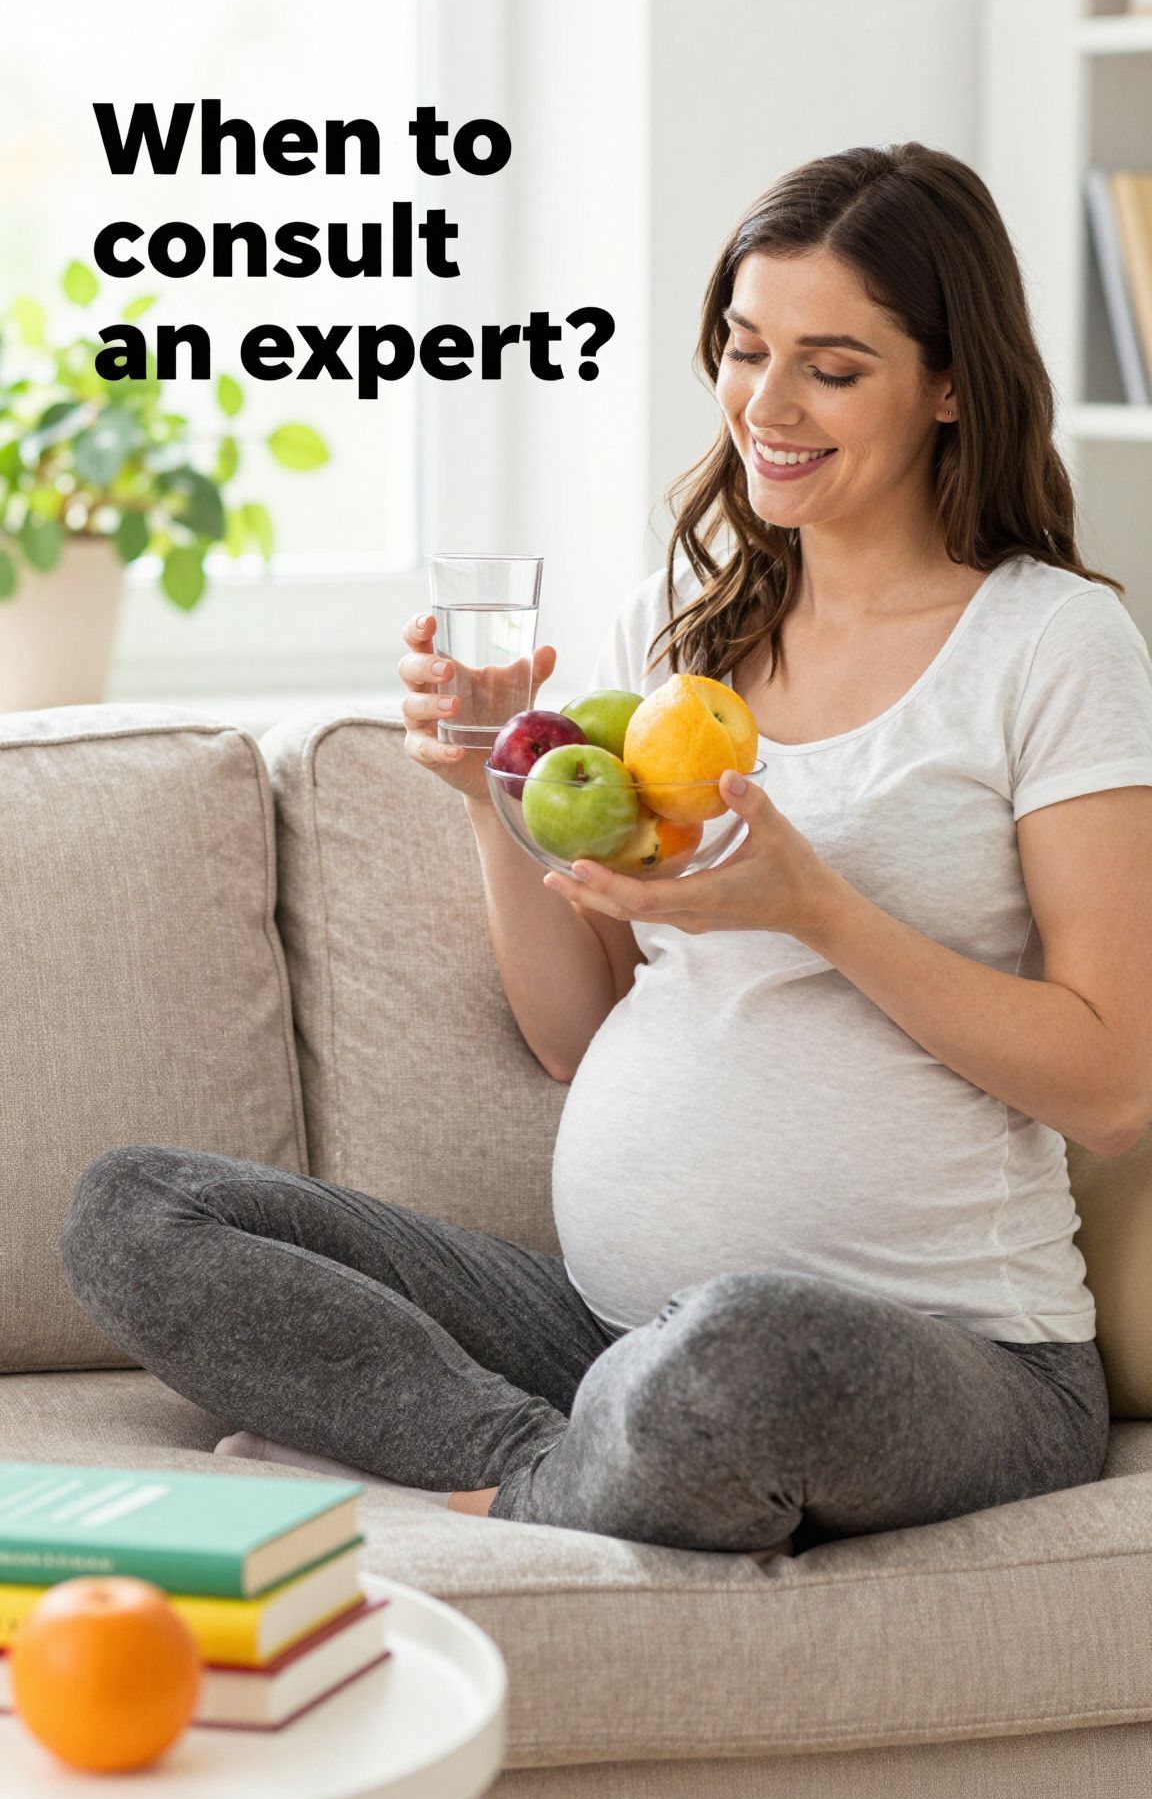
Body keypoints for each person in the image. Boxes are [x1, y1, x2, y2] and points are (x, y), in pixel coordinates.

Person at [59, 142, 1152, 1557]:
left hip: (946, 1355)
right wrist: (487, 798)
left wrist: (821, 911)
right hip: (600, 1328)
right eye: (744, 348)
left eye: (832, 366)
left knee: (744, 1350)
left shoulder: (1051, 644)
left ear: (951, 386)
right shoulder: (682, 631)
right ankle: (552, 1459)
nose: (767, 404)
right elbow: (578, 1033)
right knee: (137, 1210)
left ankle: (505, 1468)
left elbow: (1114, 1086)